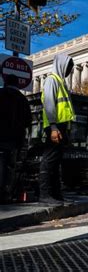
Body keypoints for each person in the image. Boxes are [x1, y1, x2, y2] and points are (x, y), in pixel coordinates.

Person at [39, 53, 75, 205]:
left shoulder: (61, 82)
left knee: (56, 162)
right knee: (49, 160)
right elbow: (49, 104)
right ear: (61, 65)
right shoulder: (52, 80)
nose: (69, 71)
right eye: (68, 68)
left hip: (61, 127)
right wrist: (54, 127)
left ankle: (56, 194)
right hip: (54, 127)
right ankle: (44, 194)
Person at [0, 75, 32, 203]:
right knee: (10, 165)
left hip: (1, 135)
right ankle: (6, 193)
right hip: (14, 138)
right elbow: (28, 121)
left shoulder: (0, 94)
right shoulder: (21, 98)